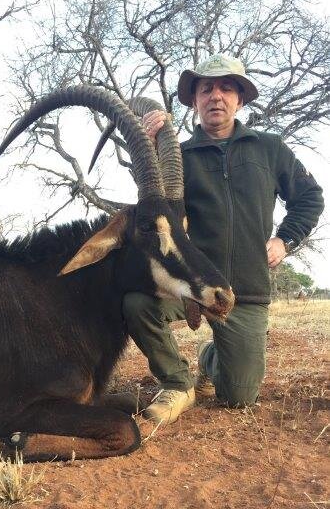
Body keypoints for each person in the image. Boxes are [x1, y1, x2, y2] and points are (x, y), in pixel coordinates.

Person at [122, 53, 324, 425]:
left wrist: (284, 240)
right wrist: (149, 149)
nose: (216, 96)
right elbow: (159, 213)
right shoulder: (178, 156)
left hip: (245, 292)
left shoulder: (270, 148)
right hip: (193, 287)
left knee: (239, 397)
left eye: (226, 88)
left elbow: (310, 197)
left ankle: (210, 357)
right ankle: (178, 381)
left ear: (240, 99)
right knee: (137, 304)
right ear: (195, 101)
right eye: (206, 89)